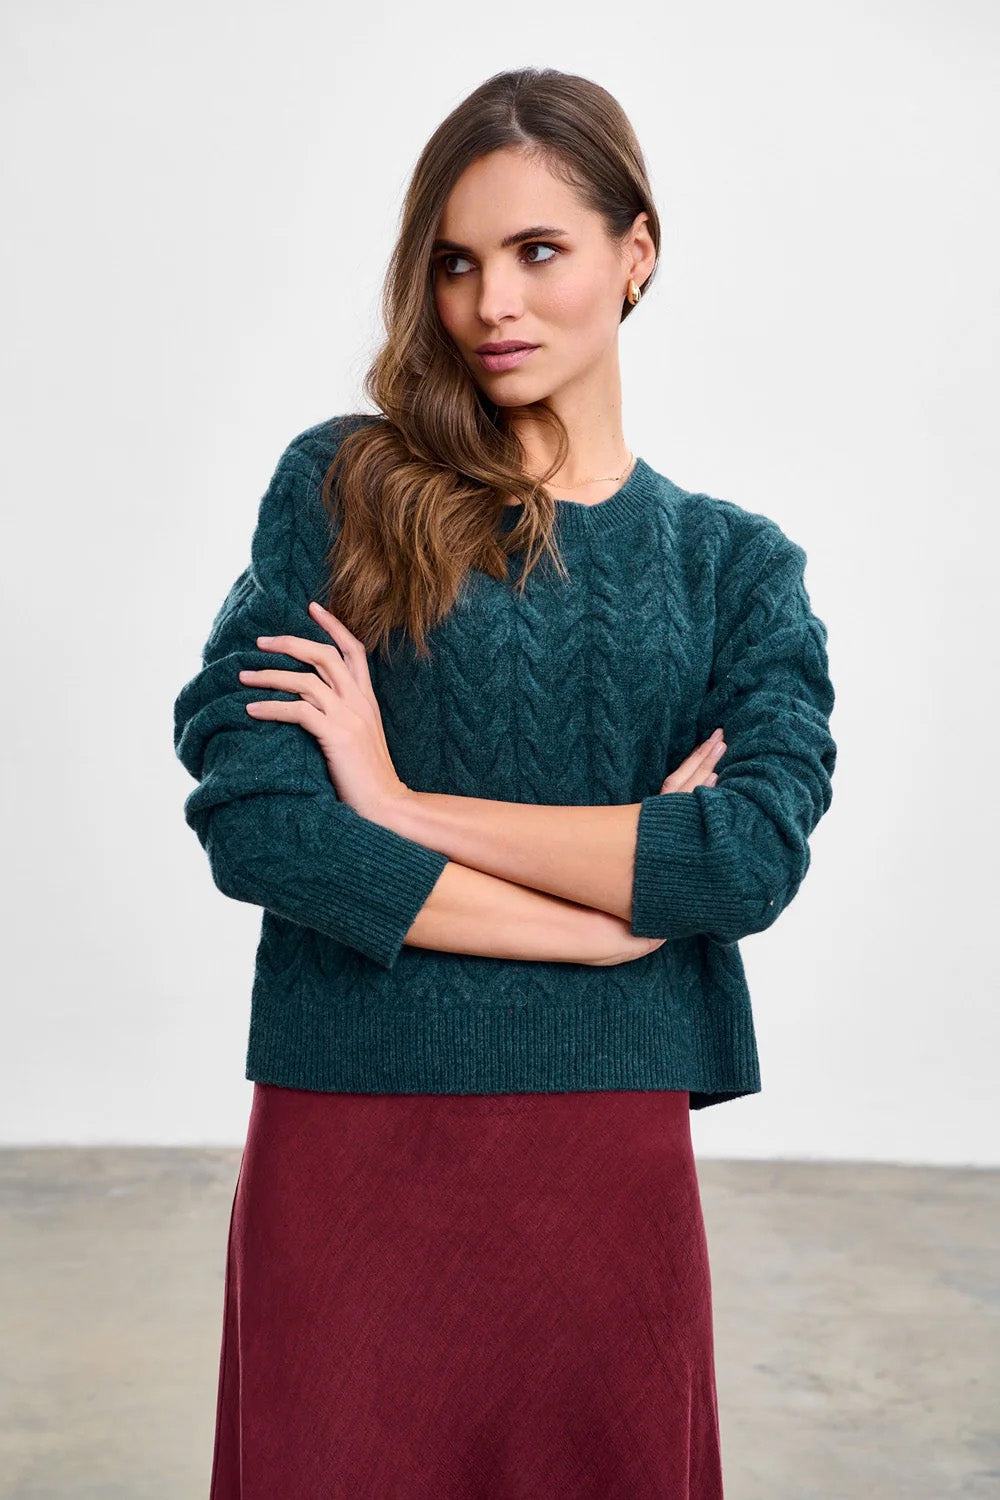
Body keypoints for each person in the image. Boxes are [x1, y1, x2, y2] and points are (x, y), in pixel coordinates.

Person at [173, 65, 837, 1500]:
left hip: (603, 1154)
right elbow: (258, 814)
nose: (493, 304)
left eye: (540, 251)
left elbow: (743, 857)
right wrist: (599, 925)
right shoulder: (346, 490)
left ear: (635, 253)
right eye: (459, 262)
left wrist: (400, 806)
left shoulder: (731, 566)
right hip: (351, 1131)